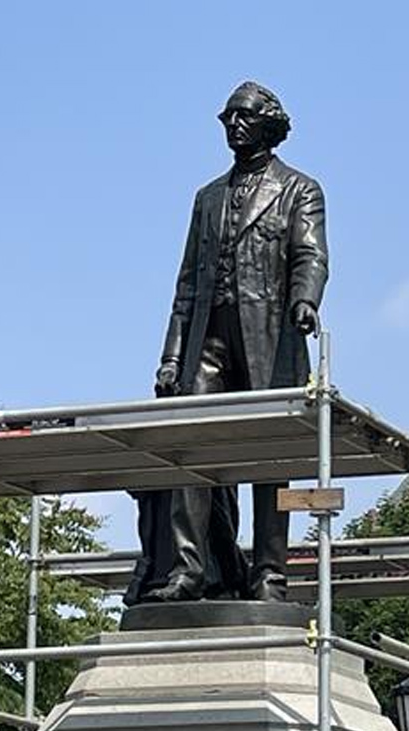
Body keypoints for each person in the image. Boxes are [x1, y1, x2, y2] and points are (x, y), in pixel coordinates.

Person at [145, 81, 328, 603]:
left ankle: (269, 573)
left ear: (269, 123)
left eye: (243, 116)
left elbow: (310, 255)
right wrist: (172, 357)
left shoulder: (299, 189)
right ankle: (188, 569)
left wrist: (305, 300)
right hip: (209, 338)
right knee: (191, 452)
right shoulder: (207, 198)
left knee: (270, 461)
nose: (234, 125)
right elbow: (186, 283)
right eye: (228, 117)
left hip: (270, 338)